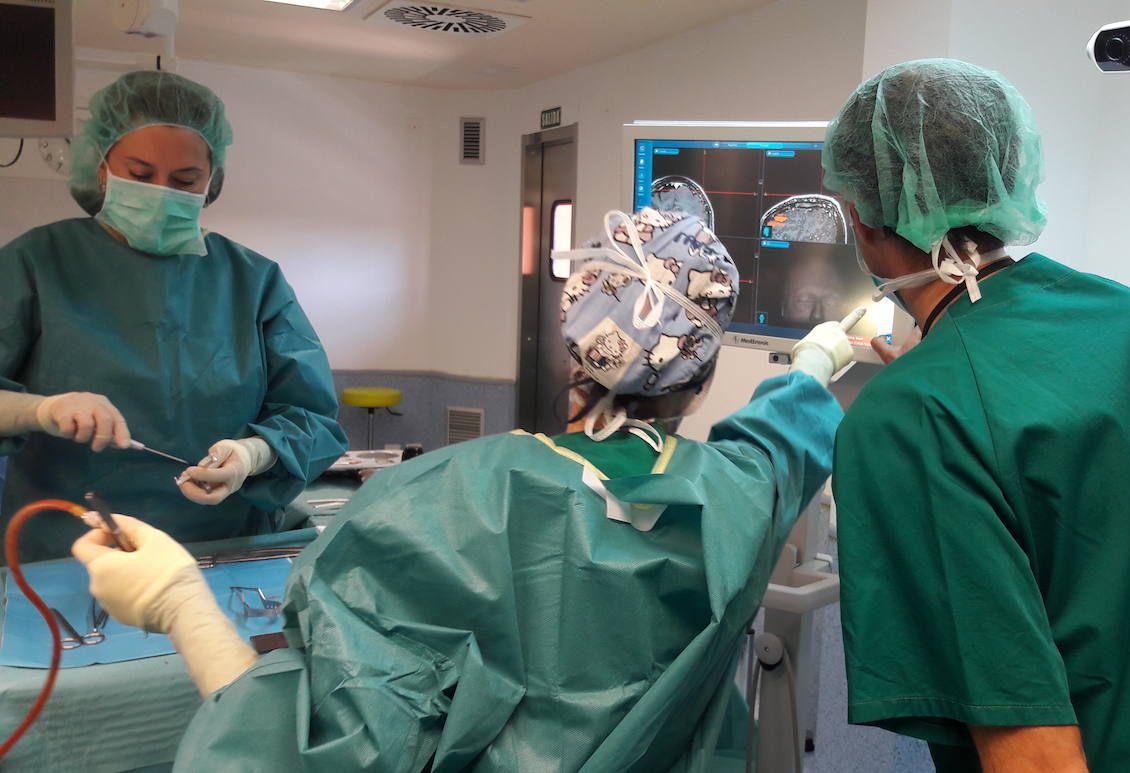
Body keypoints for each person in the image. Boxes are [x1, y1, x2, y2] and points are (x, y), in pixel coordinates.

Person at [71, 208, 859, 771]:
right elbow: (779, 437)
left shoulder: (443, 502)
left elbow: (307, 748)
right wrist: (821, 356)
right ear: (705, 375)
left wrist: (180, 601)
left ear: (574, 351)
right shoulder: (739, 498)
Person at [822, 59, 1130, 772]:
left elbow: (1036, 757)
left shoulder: (910, 418)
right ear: (1003, 173)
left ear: (857, 214)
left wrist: (922, 408)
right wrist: (937, 384)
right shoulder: (1123, 316)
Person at [0, 70, 347, 562]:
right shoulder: (37, 262)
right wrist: (40, 410)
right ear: (102, 170)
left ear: (211, 183)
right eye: (139, 175)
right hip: (70, 553)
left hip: (223, 547)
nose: (161, 191)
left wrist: (252, 455)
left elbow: (312, 418)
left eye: (185, 180)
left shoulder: (252, 280)